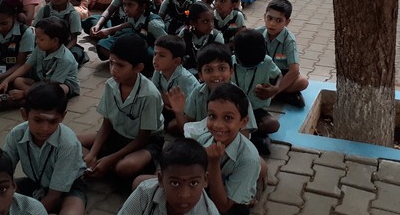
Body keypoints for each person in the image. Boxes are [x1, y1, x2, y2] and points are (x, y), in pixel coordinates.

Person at [78, 34, 164, 180]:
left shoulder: (149, 94)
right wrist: (92, 153)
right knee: (73, 141)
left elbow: (142, 138)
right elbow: (106, 124)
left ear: (138, 67)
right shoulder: (111, 85)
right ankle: (101, 164)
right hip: (117, 134)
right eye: (111, 63)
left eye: (120, 65)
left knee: (125, 167)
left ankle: (107, 165)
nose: (113, 70)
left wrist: (110, 159)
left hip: (145, 142)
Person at [3, 83, 87, 215]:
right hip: (35, 182)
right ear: (24, 114)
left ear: (63, 117)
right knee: (0, 192)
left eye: (53, 121)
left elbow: (54, 196)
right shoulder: (16, 134)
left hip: (69, 187)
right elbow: (4, 172)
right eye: (38, 120)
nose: (45, 128)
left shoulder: (68, 144)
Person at [0, 17, 79, 111]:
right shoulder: (40, 48)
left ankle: (21, 102)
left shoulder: (65, 59)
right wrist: (6, 81)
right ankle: (35, 99)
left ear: (55, 41)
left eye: (41, 39)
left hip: (59, 86)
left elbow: (52, 86)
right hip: (43, 82)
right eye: (37, 37)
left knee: (58, 91)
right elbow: (25, 67)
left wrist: (24, 93)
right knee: (18, 81)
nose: (37, 41)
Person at [197, 83, 261, 214]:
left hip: (232, 205)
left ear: (243, 122)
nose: (218, 125)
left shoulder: (248, 159)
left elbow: (222, 206)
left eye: (228, 118)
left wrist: (213, 163)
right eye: (212, 116)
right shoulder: (203, 140)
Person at [119, 138, 219, 215]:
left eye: (193, 183)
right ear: (160, 179)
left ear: (205, 180)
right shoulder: (145, 193)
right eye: (175, 183)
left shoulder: (209, 212)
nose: (184, 195)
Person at [232, 29, 281, 155]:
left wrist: (275, 89)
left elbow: (278, 76)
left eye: (255, 65)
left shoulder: (267, 61)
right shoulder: (228, 63)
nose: (251, 67)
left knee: (273, 124)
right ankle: (252, 139)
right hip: (232, 110)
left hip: (255, 110)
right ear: (236, 53)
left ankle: (248, 136)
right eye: (247, 65)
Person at [257, 0, 309, 108]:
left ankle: (275, 95)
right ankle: (286, 95)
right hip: (262, 74)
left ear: (287, 22)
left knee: (303, 82)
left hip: (282, 75)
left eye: (279, 20)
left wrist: (275, 91)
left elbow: (294, 71)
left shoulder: (289, 40)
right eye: (269, 18)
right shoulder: (257, 34)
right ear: (264, 17)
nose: (272, 24)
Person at [95, 0, 167, 64]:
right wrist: (109, 30)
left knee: (149, 55)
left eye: (130, 5)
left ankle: (126, 63)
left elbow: (166, 43)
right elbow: (129, 24)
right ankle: (124, 62)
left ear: (142, 7)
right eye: (124, 4)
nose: (126, 9)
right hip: (137, 41)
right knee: (103, 44)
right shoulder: (132, 15)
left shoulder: (153, 24)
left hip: (150, 46)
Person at [151, 35, 199, 134]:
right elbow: (153, 91)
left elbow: (188, 108)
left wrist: (166, 100)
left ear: (176, 61)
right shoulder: (158, 70)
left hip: (186, 113)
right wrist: (165, 101)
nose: (155, 59)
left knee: (171, 127)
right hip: (168, 107)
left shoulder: (185, 79)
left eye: (161, 56)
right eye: (155, 54)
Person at [179, 2, 225, 74]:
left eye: (212, 20)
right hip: (187, 72)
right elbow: (178, 54)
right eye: (205, 22)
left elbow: (219, 61)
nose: (211, 25)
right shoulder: (185, 33)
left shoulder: (216, 37)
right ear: (193, 23)